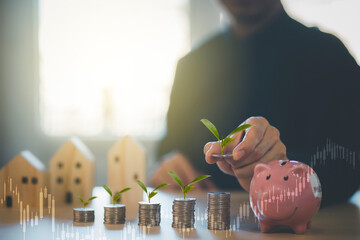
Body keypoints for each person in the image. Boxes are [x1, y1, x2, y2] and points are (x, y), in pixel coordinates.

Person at [150, 0, 360, 206]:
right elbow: (169, 150)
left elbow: (351, 165)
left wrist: (285, 168)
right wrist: (171, 168)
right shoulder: (191, 66)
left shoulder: (330, 57)